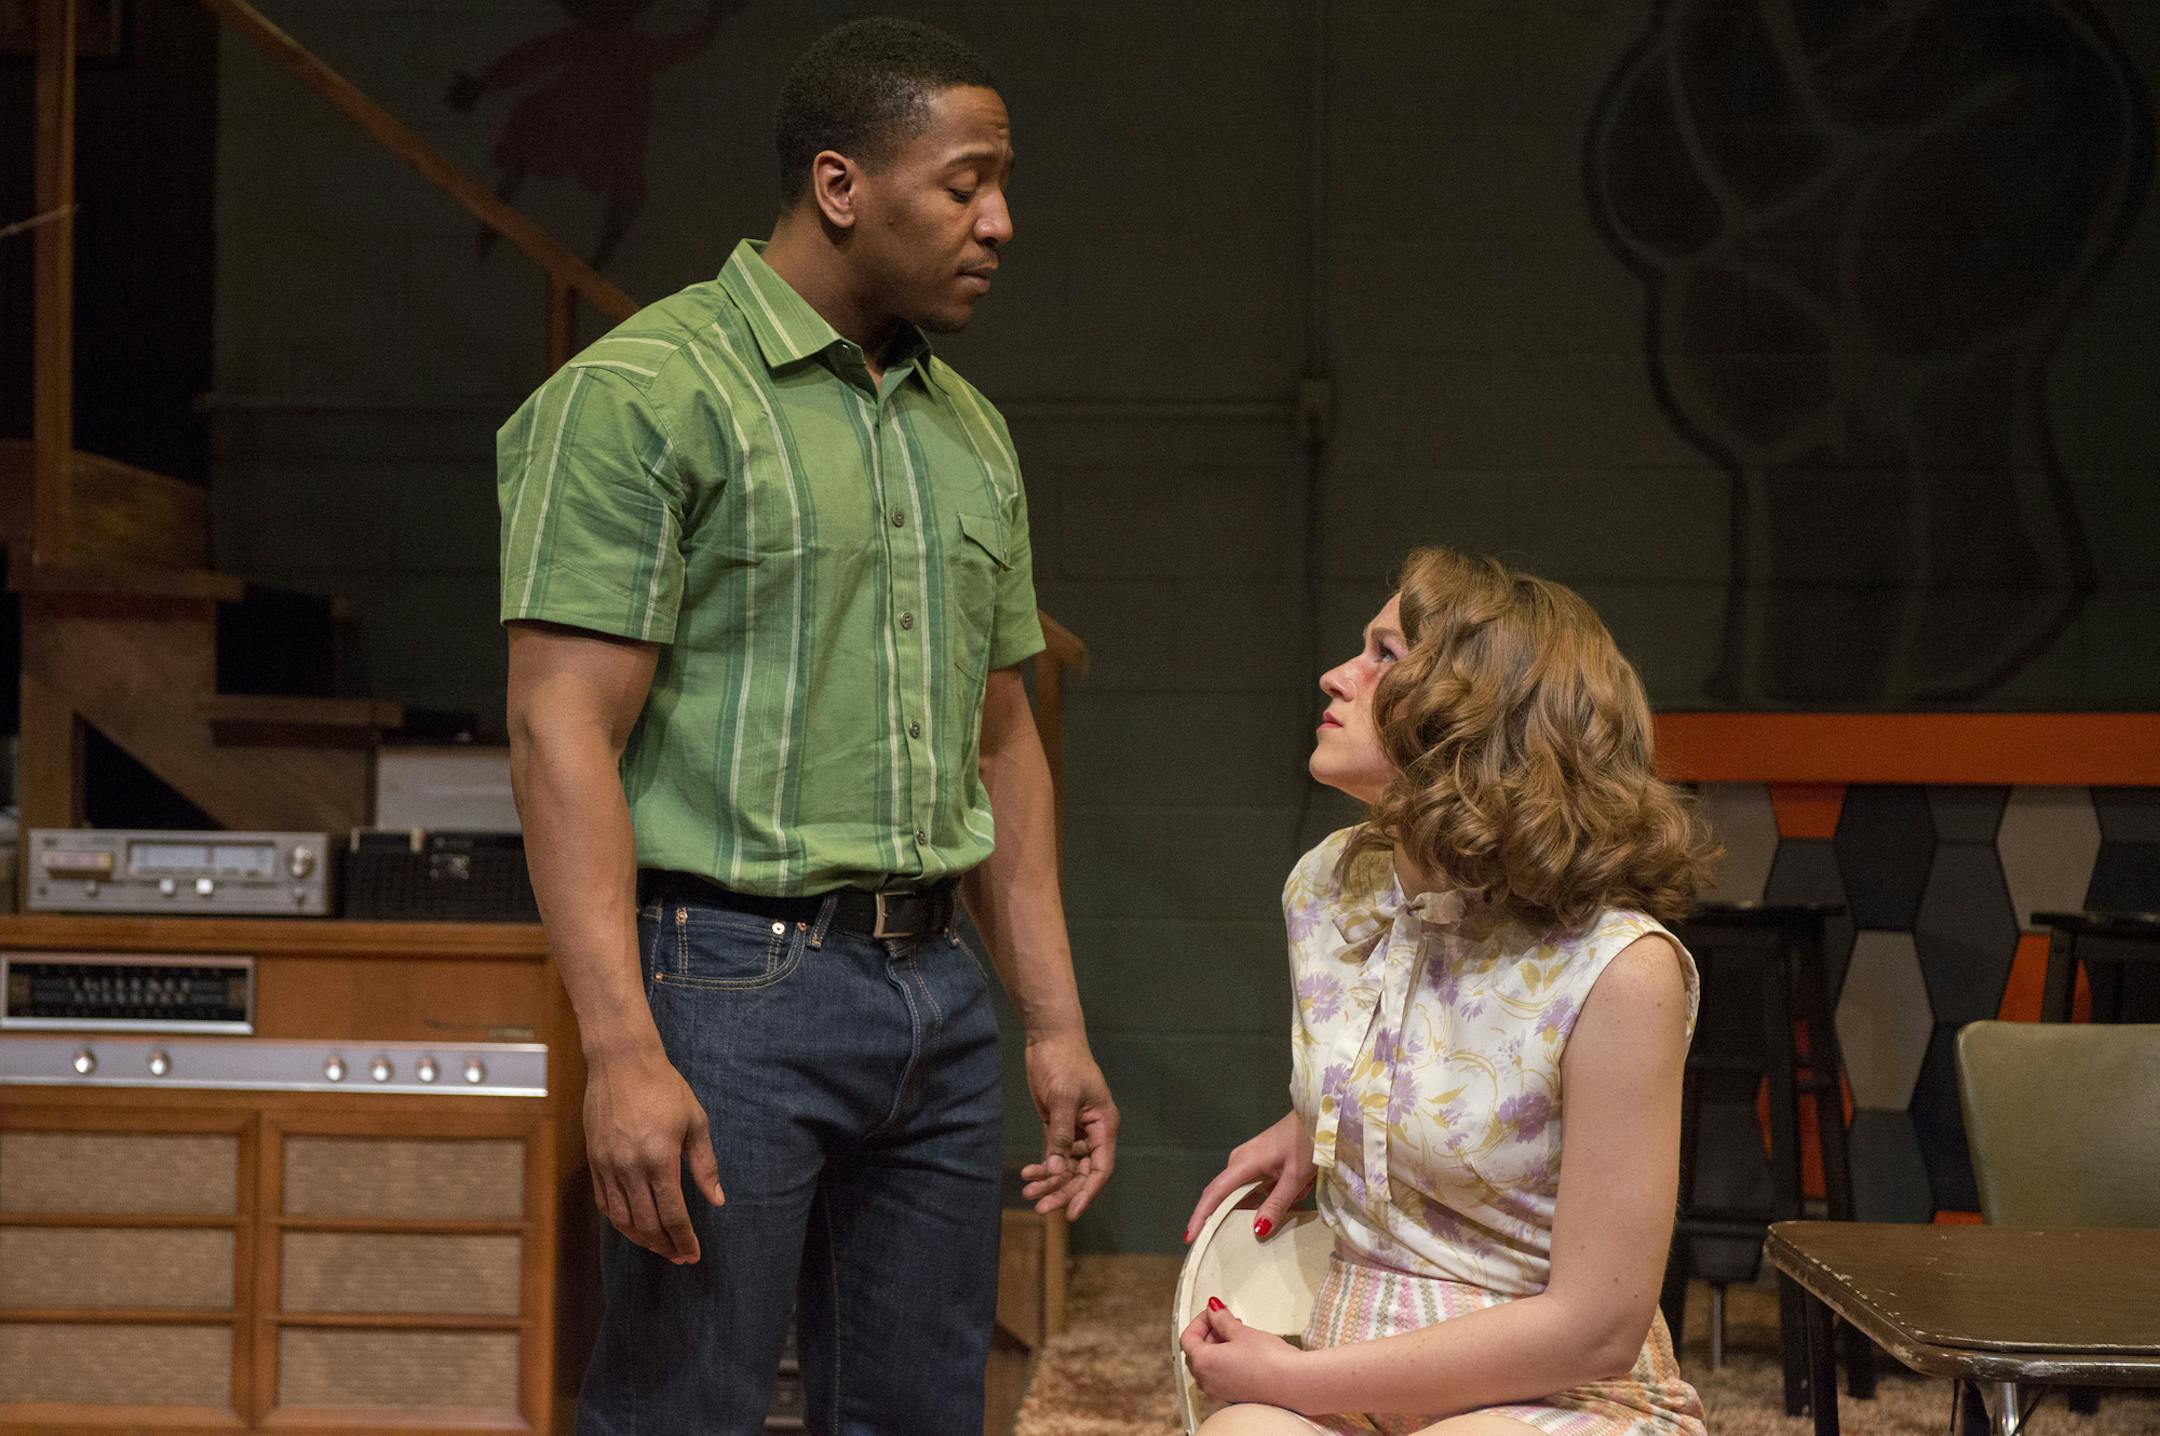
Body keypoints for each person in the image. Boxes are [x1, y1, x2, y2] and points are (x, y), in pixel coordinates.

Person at [496, 18, 1117, 1434]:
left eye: (1002, 184)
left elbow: (1003, 736)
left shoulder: (969, 431)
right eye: (966, 183)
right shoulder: (643, 396)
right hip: (724, 987)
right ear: (840, 185)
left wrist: (1054, 1025)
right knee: (685, 1409)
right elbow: (558, 731)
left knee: (918, 1411)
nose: (1001, 222)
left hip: (937, 997)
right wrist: (623, 1050)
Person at [1180, 548, 1715, 1436]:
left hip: (1553, 1391)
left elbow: (1597, 1328)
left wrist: (1297, 1380)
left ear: (1482, 714)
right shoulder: (1328, 887)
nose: (1338, 675)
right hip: (1350, 1360)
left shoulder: (1620, 966)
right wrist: (1323, 1117)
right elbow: (1418, 1047)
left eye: (1385, 655)